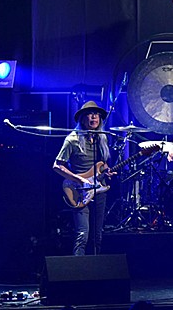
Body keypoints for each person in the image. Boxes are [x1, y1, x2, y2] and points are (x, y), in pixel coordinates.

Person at [53, 101, 114, 255]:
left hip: (99, 190)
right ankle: (77, 267)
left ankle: (96, 267)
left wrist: (106, 171)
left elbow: (102, 164)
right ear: (82, 118)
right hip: (79, 191)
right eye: (89, 114)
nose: (94, 117)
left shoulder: (102, 138)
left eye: (96, 114)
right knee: (82, 234)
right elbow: (57, 165)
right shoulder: (72, 139)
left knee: (97, 236)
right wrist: (78, 179)